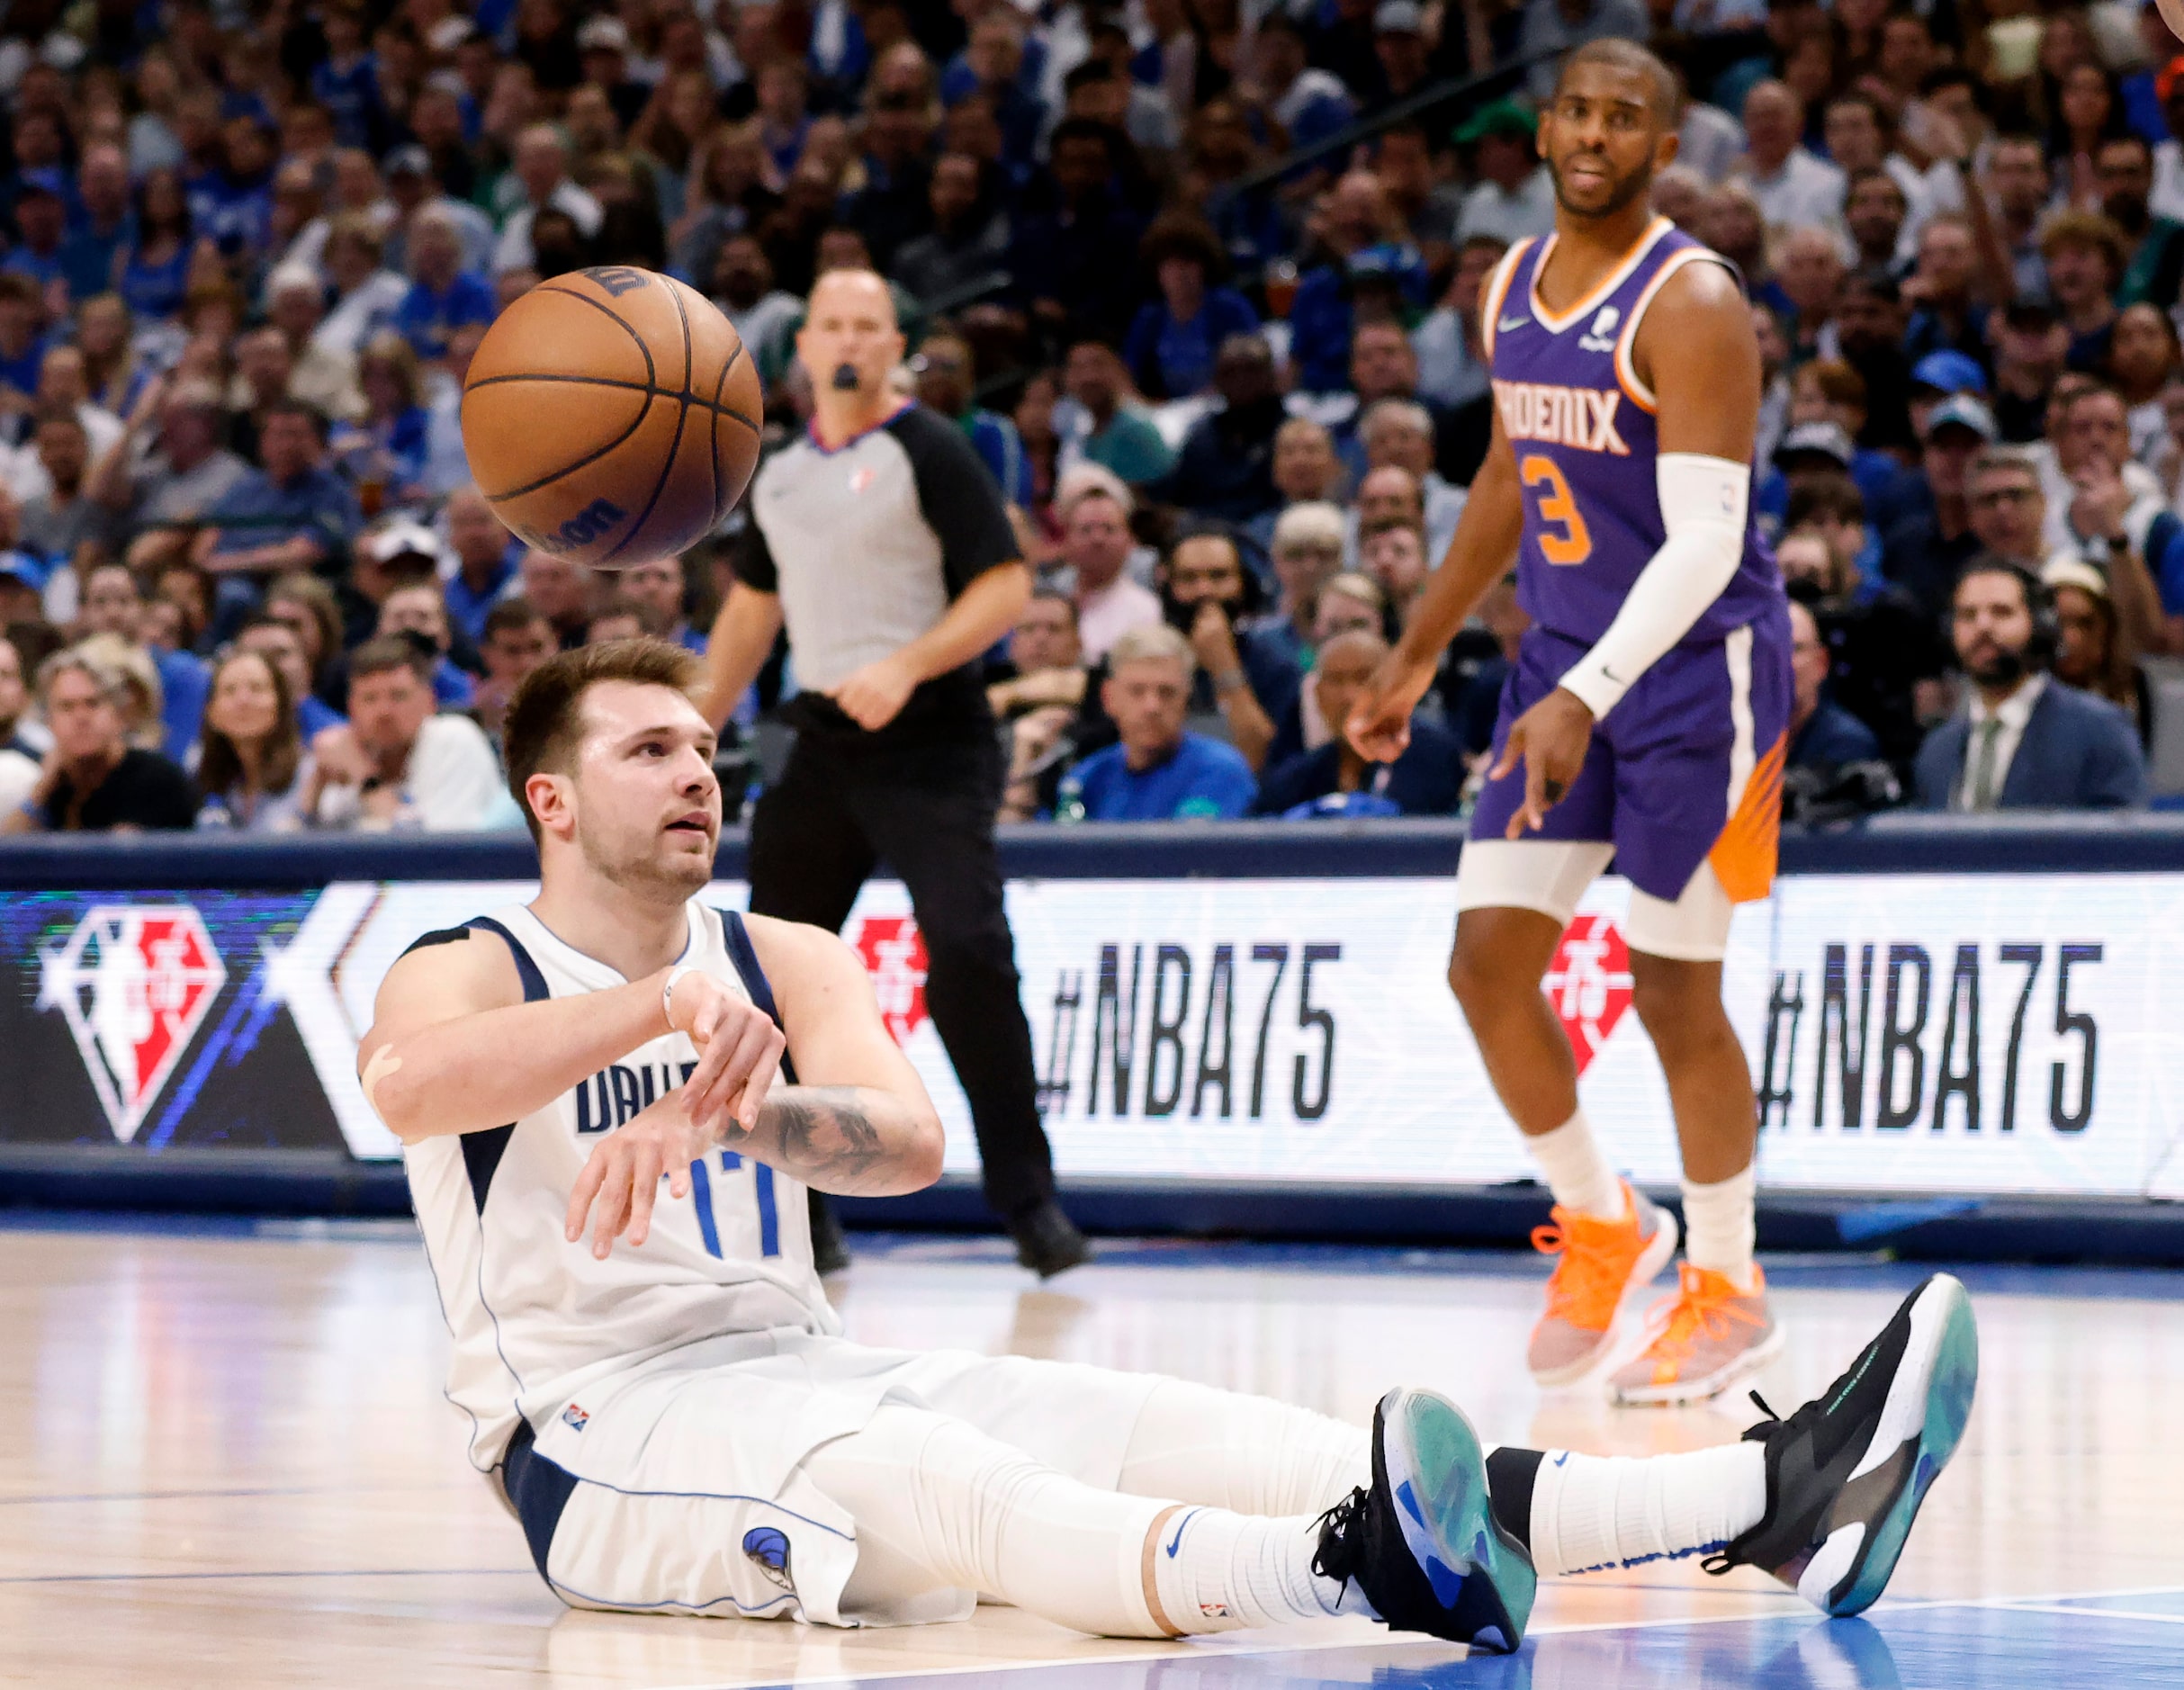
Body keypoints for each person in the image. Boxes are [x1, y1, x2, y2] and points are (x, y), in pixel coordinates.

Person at [358, 636, 1976, 1645]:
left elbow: (911, 1143)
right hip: (598, 1429)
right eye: (652, 750)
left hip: (801, 1358)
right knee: (951, 1481)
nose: (700, 773)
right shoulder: (471, 959)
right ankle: (1349, 1576)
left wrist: (761, 1103)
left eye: (710, 747)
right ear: (550, 801)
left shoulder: (787, 959)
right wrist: (649, 1020)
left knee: (1191, 1425)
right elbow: (411, 1089)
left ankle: (1766, 1493)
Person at [1349, 41, 1794, 1406]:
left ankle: (1727, 1284)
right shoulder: (1506, 285)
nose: (1594, 135)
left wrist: (1579, 694)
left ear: (1663, 149)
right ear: (1544, 129)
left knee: (1671, 984)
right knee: (1486, 963)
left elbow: (1704, 541)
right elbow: (1503, 470)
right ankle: (1602, 1217)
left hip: (1691, 674)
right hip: (1558, 663)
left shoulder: (1695, 301)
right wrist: (1415, 653)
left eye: (1625, 120)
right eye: (1578, 113)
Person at [700, 268, 1086, 1279]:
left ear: (894, 347)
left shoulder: (932, 449)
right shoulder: (779, 473)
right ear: (804, 346)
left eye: (870, 325)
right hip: (817, 736)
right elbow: (753, 609)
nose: (850, 340)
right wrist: (691, 718)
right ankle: (800, 1211)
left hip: (934, 735)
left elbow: (1007, 586)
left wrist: (908, 663)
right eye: (832, 322)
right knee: (771, 972)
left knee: (965, 948)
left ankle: (1027, 1199)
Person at [1914, 561, 2147, 811]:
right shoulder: (1937, 750)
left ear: (2040, 625)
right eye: (1968, 615)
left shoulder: (2100, 730)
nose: (1983, 626)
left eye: (2001, 612)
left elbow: (2122, 844)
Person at [306, 635, 511, 832]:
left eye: (398, 696)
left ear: (429, 702)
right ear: (352, 709)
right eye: (369, 699)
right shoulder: (346, 748)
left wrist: (366, 779)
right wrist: (316, 787)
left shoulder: (454, 739)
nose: (383, 712)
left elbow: (430, 855)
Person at [1254, 628, 1463, 817]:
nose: (1349, 696)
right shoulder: (1293, 780)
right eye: (1336, 680)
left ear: (1395, 684)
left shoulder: (1436, 757)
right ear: (1317, 695)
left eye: (1364, 677)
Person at [1057, 624, 1255, 822]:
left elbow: (1186, 850)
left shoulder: (1218, 770)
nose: (1152, 707)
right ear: (1108, 698)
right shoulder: (1087, 778)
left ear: (1186, 699)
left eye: (1167, 692)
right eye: (1137, 691)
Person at [1, 645, 197, 832]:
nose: (81, 717)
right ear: (48, 722)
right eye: (67, 707)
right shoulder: (55, 786)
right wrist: (39, 793)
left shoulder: (157, 779)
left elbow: (118, 860)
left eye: (92, 703)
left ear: (118, 714)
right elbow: (9, 854)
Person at [193, 647, 313, 831]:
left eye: (257, 689)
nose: (243, 700)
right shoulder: (196, 776)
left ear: (280, 706)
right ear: (211, 713)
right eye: (229, 691)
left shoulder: (310, 774)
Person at [1056, 484, 1160, 663]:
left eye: (1109, 529)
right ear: (1067, 540)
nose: (1098, 539)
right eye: (1086, 530)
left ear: (1130, 541)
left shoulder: (1144, 608)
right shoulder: (1048, 599)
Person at [1784, 598, 1882, 778]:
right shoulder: (1731, 740)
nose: (1782, 662)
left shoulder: (1849, 743)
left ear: (1822, 663)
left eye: (1795, 649)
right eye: (1771, 651)